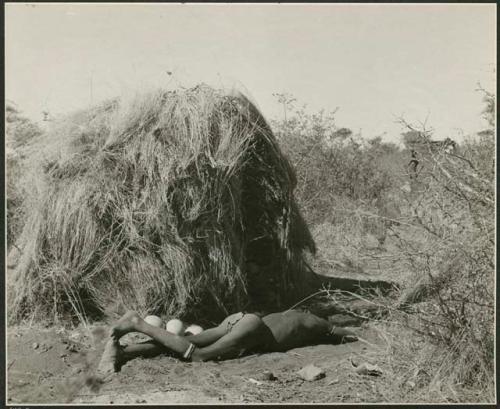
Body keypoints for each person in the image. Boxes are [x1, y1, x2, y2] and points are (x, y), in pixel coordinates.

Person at [97, 310, 358, 373]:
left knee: (193, 341)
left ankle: (125, 352)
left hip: (243, 319)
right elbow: (340, 332)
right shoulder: (317, 323)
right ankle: (136, 322)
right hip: (253, 330)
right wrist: (355, 334)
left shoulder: (294, 315)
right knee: (199, 356)